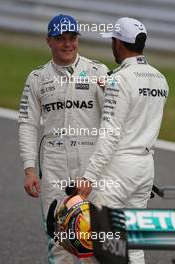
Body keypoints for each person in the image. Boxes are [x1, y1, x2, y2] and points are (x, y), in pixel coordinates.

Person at [76, 17, 169, 264]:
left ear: (118, 43)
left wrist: (89, 177)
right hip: (144, 169)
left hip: (118, 170)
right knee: (133, 243)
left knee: (100, 245)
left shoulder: (119, 79)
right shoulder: (161, 79)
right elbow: (139, 110)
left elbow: (110, 132)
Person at [18, 13, 108, 264]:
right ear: (49, 41)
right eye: (60, 38)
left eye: (72, 38)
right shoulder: (37, 78)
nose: (67, 43)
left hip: (90, 165)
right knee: (58, 239)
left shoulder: (98, 72)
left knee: (93, 241)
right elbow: (27, 123)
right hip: (54, 164)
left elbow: (113, 122)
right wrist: (28, 169)